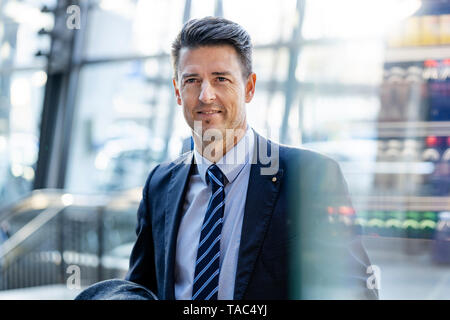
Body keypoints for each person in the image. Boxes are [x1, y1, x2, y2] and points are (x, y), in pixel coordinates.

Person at [125, 16, 378, 300]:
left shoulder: (311, 176)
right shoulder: (160, 184)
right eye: (192, 80)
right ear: (177, 91)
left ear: (249, 87)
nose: (206, 95)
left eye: (221, 79)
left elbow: (352, 290)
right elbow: (140, 287)